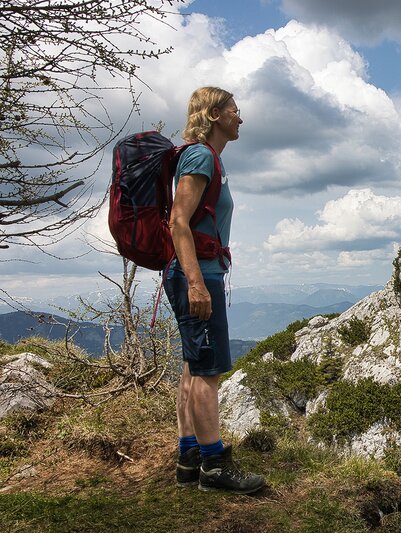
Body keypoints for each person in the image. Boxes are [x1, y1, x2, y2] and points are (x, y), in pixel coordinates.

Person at [167, 87, 264, 495]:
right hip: (198, 275)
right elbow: (178, 221)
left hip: (201, 273)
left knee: (193, 366)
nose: (240, 119)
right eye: (234, 111)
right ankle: (214, 466)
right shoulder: (201, 156)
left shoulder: (207, 158)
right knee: (208, 372)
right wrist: (195, 283)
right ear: (215, 115)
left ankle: (189, 457)